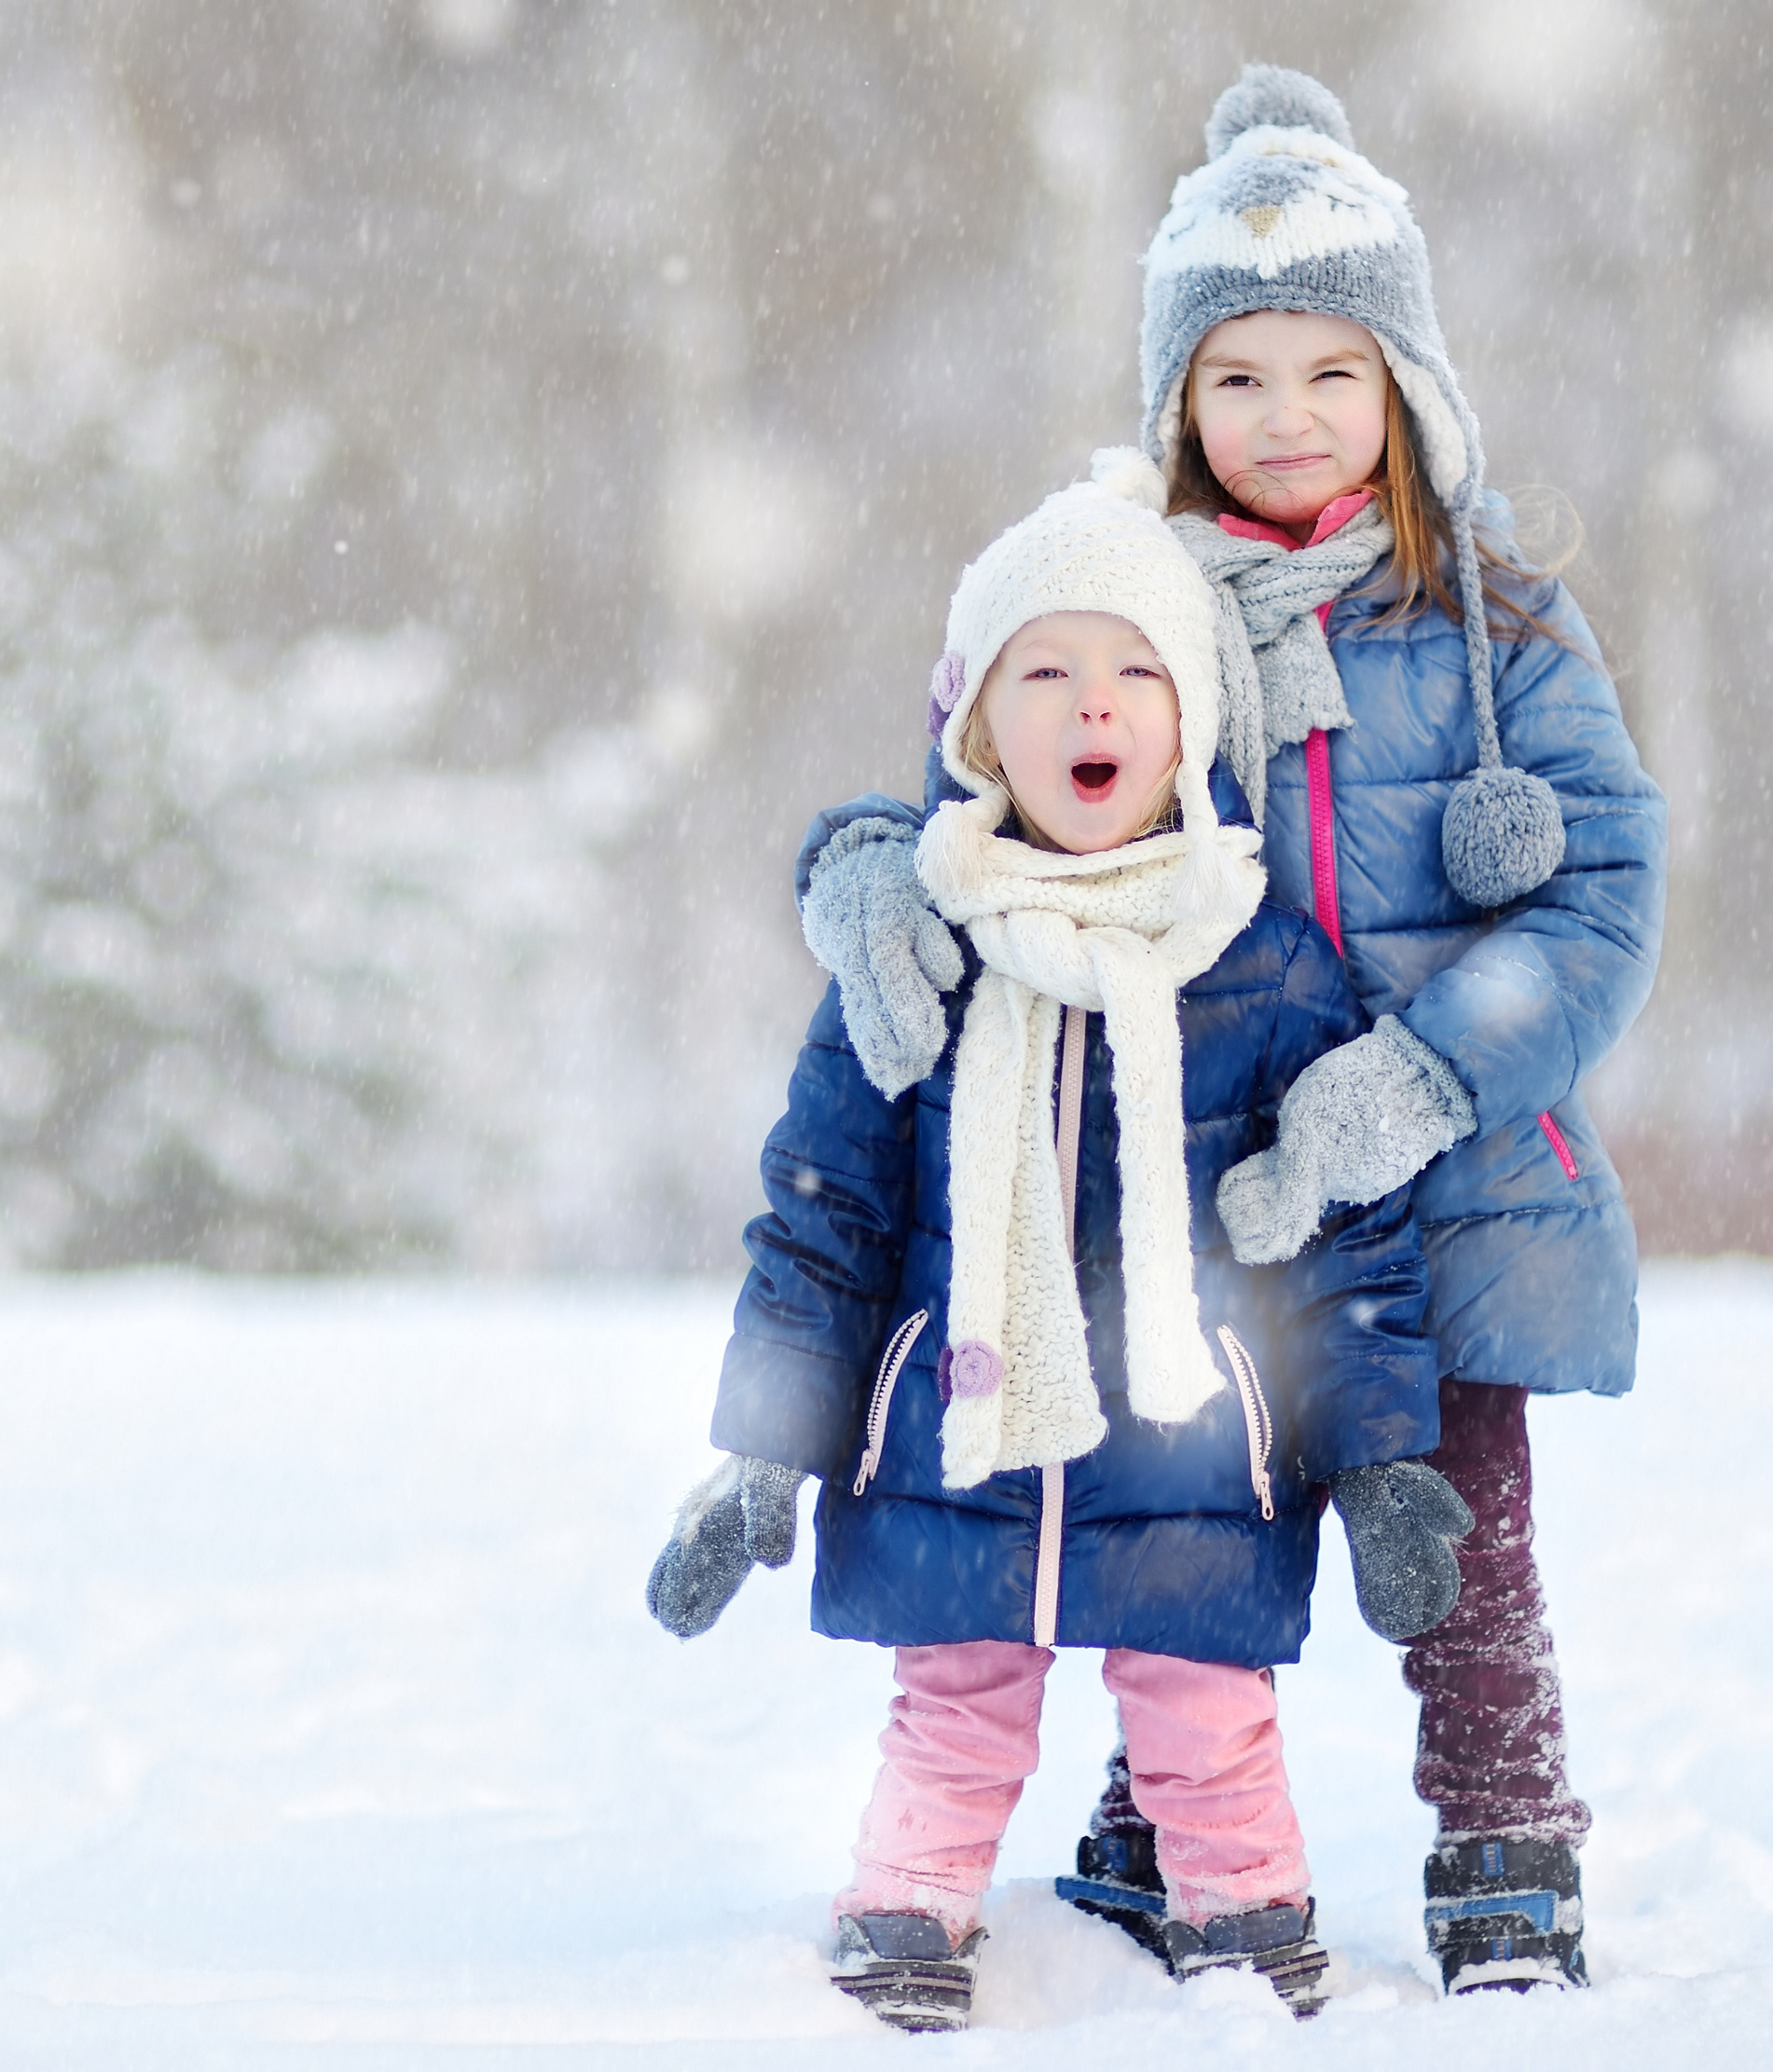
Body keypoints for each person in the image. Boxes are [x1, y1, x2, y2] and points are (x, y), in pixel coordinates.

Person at [792, 65, 1666, 1995]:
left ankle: (1504, 1836)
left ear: (1408, 391)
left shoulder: (1497, 617)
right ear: (1180, 402)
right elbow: (974, 776)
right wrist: (861, 870)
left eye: (1331, 373)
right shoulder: (1138, 596)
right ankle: (1152, 1816)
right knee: (1177, 1501)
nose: (1285, 418)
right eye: (1238, 377)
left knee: (1462, 1534)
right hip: (1188, 1165)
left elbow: (1602, 890)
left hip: (1455, 1178)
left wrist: (1421, 1073)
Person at [643, 468, 1468, 2033]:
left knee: (1205, 1706)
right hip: (965, 1419)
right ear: (977, 728)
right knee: (952, 1699)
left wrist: (1380, 1459)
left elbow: (1346, 1239)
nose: (1095, 705)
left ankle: (1245, 1919)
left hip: (1193, 1442)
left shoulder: (1268, 963)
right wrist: (766, 1451)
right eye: (1048, 671)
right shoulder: (919, 956)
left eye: (1137, 673)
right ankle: (906, 1915)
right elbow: (823, 1215)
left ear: (1190, 724)